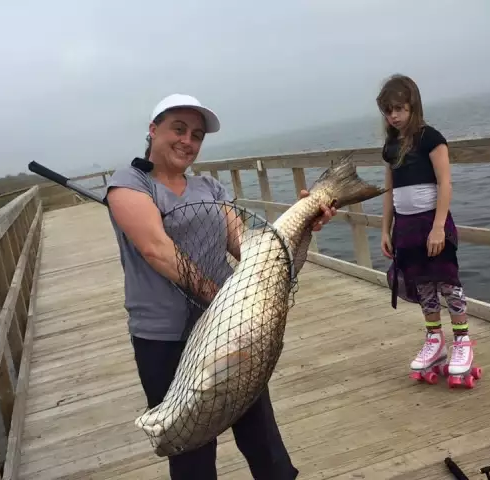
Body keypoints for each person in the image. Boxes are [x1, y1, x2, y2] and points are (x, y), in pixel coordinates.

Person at [103, 93, 336, 479]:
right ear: (153, 129)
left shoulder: (209, 188)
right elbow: (157, 250)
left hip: (236, 332)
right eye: (178, 129)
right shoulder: (129, 183)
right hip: (165, 337)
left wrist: (301, 226)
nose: (187, 141)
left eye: (196, 135)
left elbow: (246, 244)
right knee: (191, 445)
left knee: (261, 431)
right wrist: (225, 301)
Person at [375, 74, 474, 378]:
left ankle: (462, 340)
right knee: (422, 284)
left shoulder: (431, 138)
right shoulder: (390, 147)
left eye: (399, 109)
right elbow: (390, 190)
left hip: (431, 222)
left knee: (446, 282)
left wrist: (438, 227)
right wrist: (384, 229)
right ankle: (435, 339)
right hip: (404, 227)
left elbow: (445, 182)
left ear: (413, 106)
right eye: (388, 111)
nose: (394, 116)